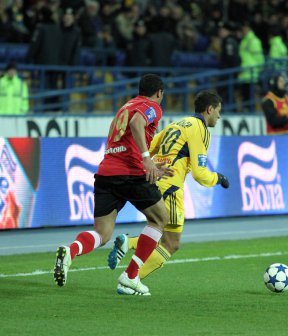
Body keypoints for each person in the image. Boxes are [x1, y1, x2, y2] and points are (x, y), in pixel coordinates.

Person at [54, 74, 173, 295]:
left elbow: (125, 143)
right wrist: (147, 159)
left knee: (103, 233)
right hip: (131, 174)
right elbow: (137, 123)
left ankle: (70, 251)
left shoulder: (125, 106)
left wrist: (153, 164)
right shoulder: (152, 107)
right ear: (159, 93)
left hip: (107, 173)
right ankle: (131, 275)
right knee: (160, 219)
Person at [107, 90, 230, 296]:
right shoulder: (200, 129)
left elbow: (149, 147)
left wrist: (153, 166)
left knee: (159, 231)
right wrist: (219, 178)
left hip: (155, 182)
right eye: (218, 111)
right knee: (171, 243)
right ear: (209, 109)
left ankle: (129, 249)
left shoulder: (178, 124)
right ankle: (130, 277)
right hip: (172, 187)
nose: (219, 116)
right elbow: (200, 174)